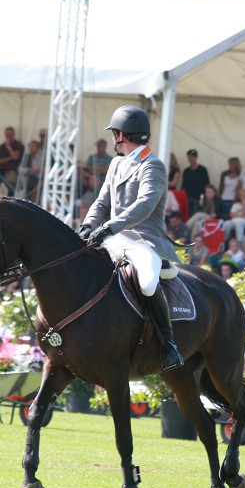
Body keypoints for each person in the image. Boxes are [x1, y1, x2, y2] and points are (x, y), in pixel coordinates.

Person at [79, 105, 184, 371]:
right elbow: (102, 201)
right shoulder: (116, 163)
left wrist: (110, 226)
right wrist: (88, 225)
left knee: (148, 283)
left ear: (120, 134)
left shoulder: (153, 166)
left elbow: (145, 204)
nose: (114, 138)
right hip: (113, 237)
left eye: (114, 133)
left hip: (143, 239)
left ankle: (169, 344)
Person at [0, 126, 24, 194]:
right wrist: (10, 158)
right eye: (6, 134)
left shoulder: (18, 145)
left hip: (12, 172)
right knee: (1, 191)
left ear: (13, 134)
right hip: (1, 172)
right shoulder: (2, 146)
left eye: (9, 134)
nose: (8, 136)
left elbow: (16, 157)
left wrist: (9, 147)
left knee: (10, 191)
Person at [181, 149, 209, 215]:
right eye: (188, 157)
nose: (190, 159)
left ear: (196, 157)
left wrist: (202, 198)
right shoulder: (186, 171)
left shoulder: (202, 170)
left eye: (191, 157)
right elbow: (183, 185)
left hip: (198, 197)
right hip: (188, 197)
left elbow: (206, 185)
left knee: (195, 214)